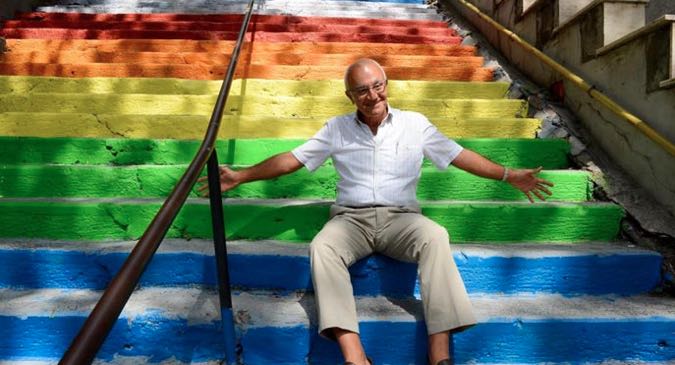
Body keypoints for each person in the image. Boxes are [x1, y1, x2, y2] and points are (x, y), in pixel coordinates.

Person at [198, 58, 554, 365]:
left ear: (386, 84)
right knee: (323, 247)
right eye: (362, 90)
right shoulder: (336, 128)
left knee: (436, 236)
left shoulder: (415, 124)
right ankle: (355, 355)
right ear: (349, 96)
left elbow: (460, 155)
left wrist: (509, 176)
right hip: (350, 220)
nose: (373, 96)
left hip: (402, 219)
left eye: (377, 86)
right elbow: (292, 159)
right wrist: (242, 176)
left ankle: (439, 350)